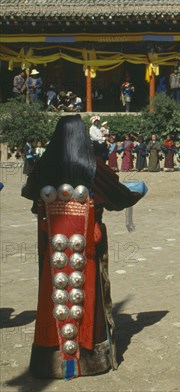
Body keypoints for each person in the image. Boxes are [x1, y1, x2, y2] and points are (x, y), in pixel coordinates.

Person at [21, 115, 143, 378]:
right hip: (87, 246)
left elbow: (30, 194)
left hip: (53, 245)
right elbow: (118, 196)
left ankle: (51, 356)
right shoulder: (93, 167)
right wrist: (136, 193)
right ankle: (89, 359)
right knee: (85, 293)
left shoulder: (44, 166)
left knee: (54, 291)